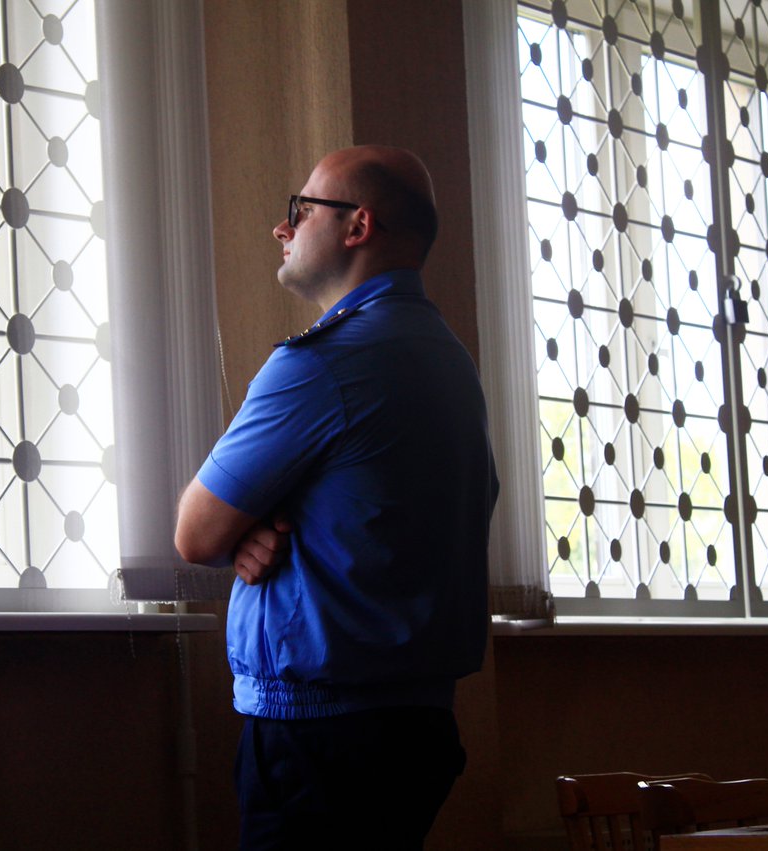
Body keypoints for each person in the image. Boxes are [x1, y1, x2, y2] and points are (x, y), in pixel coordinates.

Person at [174, 145, 498, 849]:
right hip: (417, 728)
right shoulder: (449, 361)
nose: (282, 227)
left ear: (358, 225)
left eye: (300, 209)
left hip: (320, 739)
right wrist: (255, 522)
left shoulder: (328, 362)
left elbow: (196, 533)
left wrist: (241, 523)